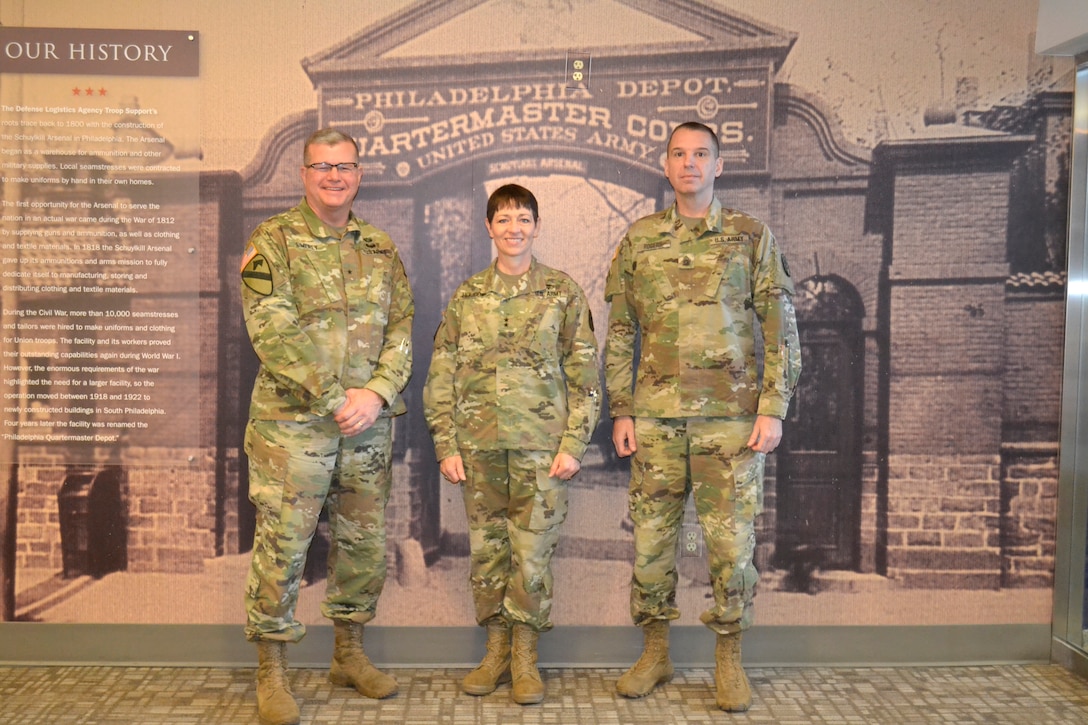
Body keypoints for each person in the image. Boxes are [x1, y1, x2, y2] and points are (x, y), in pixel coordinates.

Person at [604, 121, 801, 712]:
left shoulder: (749, 237)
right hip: (657, 422)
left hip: (731, 424)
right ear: (665, 166)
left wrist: (773, 406)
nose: (689, 164)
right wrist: (620, 409)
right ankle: (656, 652)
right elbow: (620, 333)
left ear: (719, 165)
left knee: (730, 546)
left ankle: (728, 659)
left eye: (701, 154)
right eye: (679, 155)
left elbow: (781, 328)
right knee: (651, 544)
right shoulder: (639, 240)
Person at [239, 128, 414, 725]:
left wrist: (377, 393)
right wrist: (339, 396)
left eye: (345, 166)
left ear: (359, 174)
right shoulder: (274, 241)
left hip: (367, 427)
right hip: (294, 428)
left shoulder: (382, 248)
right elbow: (272, 330)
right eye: (322, 166)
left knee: (362, 547)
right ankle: (272, 670)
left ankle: (348, 655)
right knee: (284, 547)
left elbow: (403, 331)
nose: (334, 176)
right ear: (304, 174)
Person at [423, 184, 601, 705]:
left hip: (541, 452)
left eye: (523, 218)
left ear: (537, 227)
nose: (514, 228)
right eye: (503, 220)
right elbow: (441, 373)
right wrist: (445, 443)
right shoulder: (468, 295)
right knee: (487, 555)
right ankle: (495, 650)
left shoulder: (562, 293)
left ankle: (525, 657)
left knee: (532, 556)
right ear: (489, 227)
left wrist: (573, 443)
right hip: (479, 450)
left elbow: (585, 375)